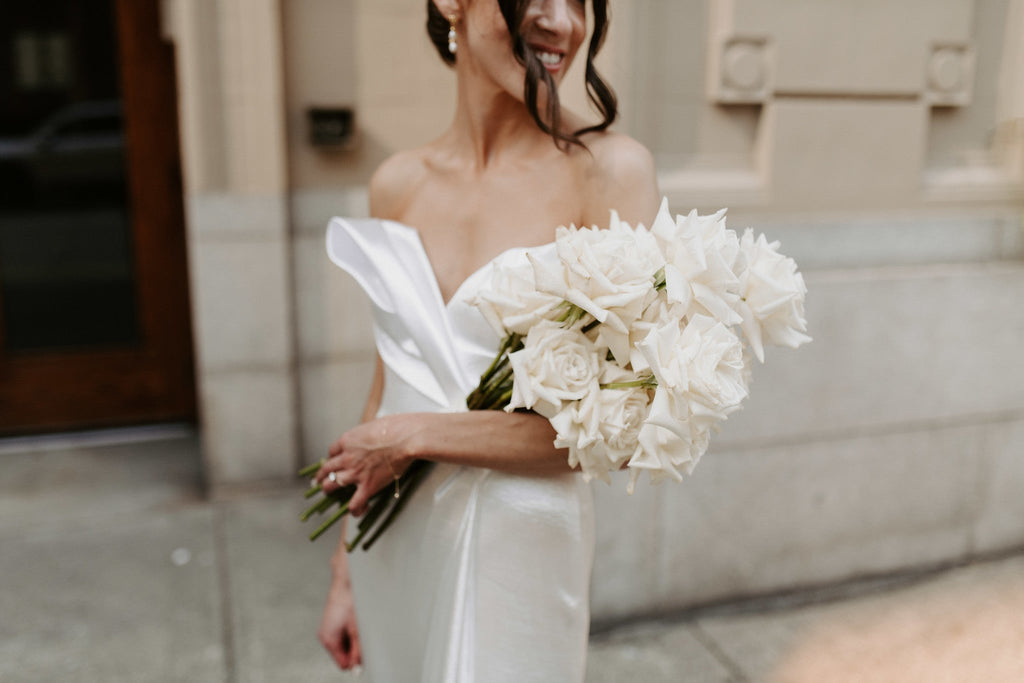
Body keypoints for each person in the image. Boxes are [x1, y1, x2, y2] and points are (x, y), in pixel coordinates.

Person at [314, 0, 659, 680]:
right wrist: (346, 568)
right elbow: (391, 381)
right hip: (397, 541)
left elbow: (616, 430)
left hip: (519, 548)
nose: (563, 22)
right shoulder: (398, 183)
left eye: (580, 0)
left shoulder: (610, 173)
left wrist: (412, 437)